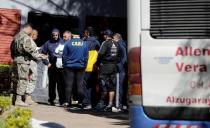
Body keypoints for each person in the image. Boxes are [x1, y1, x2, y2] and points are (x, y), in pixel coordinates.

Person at [10, 24, 47, 107]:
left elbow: (11, 48)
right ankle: (19, 100)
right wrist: (39, 56)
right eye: (30, 31)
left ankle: (13, 98)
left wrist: (15, 57)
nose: (30, 32)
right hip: (23, 60)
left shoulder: (16, 36)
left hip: (16, 59)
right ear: (28, 29)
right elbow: (28, 50)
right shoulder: (25, 37)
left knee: (15, 79)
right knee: (22, 79)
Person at [96, 29, 121, 111]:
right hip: (114, 67)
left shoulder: (105, 43)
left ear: (106, 35)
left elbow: (100, 54)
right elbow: (120, 56)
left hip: (105, 67)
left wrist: (98, 63)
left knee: (103, 86)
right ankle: (110, 104)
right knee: (112, 87)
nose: (103, 36)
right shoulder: (117, 43)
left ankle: (102, 104)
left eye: (104, 35)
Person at [62, 33, 88, 108]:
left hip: (69, 66)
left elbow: (64, 55)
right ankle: (80, 102)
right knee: (80, 85)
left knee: (69, 85)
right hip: (81, 66)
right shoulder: (84, 44)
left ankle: (67, 102)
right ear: (79, 36)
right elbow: (86, 56)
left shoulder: (68, 43)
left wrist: (64, 65)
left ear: (72, 35)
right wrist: (85, 65)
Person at [41, 28, 64, 105]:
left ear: (59, 35)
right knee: (52, 84)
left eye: (56, 35)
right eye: (53, 35)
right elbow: (43, 54)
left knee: (61, 84)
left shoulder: (63, 42)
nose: (55, 36)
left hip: (61, 67)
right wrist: (47, 63)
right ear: (51, 35)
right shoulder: (48, 43)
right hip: (52, 66)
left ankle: (62, 100)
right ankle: (51, 99)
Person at [82, 27, 100, 109]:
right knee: (93, 86)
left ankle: (87, 103)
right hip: (95, 68)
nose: (84, 34)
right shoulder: (97, 42)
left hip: (87, 67)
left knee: (86, 87)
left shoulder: (84, 42)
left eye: (85, 33)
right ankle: (94, 103)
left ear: (87, 33)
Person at [54, 30, 72, 105]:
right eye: (63, 36)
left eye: (65, 36)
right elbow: (55, 52)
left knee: (66, 85)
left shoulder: (71, 44)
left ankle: (67, 101)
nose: (63, 38)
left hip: (67, 68)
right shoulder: (61, 44)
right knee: (59, 85)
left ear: (69, 37)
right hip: (59, 67)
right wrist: (61, 54)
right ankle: (61, 101)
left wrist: (60, 54)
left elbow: (68, 55)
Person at [112, 33, 127, 110]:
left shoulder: (120, 46)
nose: (112, 40)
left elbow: (124, 58)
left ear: (117, 38)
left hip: (120, 70)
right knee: (121, 87)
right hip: (122, 70)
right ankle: (122, 104)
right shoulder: (122, 44)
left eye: (113, 39)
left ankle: (118, 105)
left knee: (118, 88)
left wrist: (118, 67)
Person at [25, 29, 40, 105]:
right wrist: (40, 56)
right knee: (31, 79)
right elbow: (32, 54)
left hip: (31, 63)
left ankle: (28, 97)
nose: (37, 37)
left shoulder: (29, 41)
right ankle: (27, 98)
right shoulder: (31, 42)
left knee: (30, 79)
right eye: (36, 35)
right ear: (33, 35)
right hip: (31, 64)